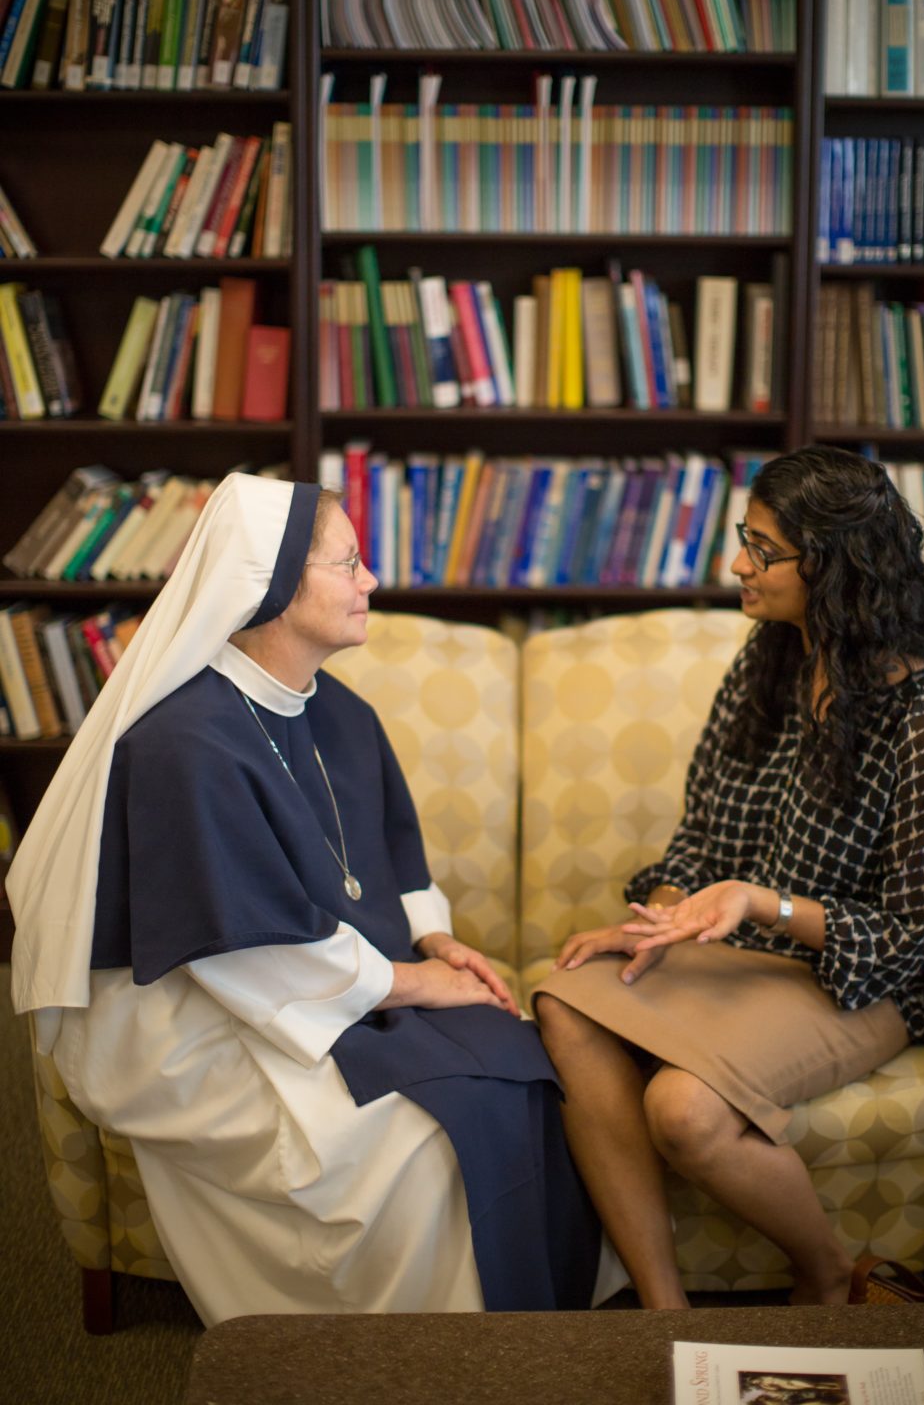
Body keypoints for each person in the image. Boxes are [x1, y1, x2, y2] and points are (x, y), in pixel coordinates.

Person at [8, 472, 613, 1325]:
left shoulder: (336, 709)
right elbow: (237, 946)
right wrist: (410, 985)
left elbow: (393, 857)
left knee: (519, 1067)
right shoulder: (184, 746)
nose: (372, 582)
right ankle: (410, 1351)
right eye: (350, 563)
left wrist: (434, 943)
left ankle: (523, 1326)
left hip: (314, 978)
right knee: (427, 1136)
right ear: (275, 589)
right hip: (189, 1020)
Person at [533, 445, 924, 1309]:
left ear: (835, 566)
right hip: (743, 952)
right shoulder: (772, 658)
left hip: (862, 985)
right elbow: (706, 832)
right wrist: (659, 918)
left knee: (684, 1112)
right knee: (564, 997)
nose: (739, 563)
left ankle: (824, 1273)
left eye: (763, 550)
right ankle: (661, 1313)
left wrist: (763, 903)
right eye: (746, 538)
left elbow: (905, 936)